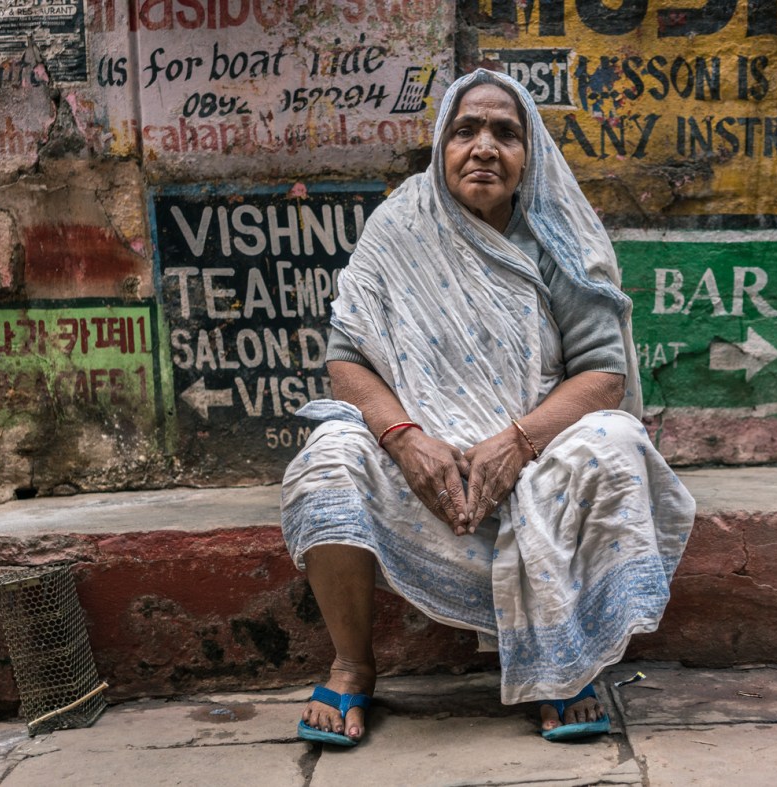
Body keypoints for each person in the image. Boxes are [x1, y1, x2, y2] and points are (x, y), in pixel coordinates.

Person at [280, 68, 696, 746]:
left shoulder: (557, 241)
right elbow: (346, 358)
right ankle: (353, 663)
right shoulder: (400, 228)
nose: (484, 147)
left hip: (534, 452)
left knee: (616, 443)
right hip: (426, 460)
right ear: (442, 146)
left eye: (505, 132)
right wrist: (407, 440)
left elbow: (603, 376)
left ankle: (566, 662)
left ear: (528, 156)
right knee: (329, 456)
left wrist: (517, 443)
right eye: (465, 129)